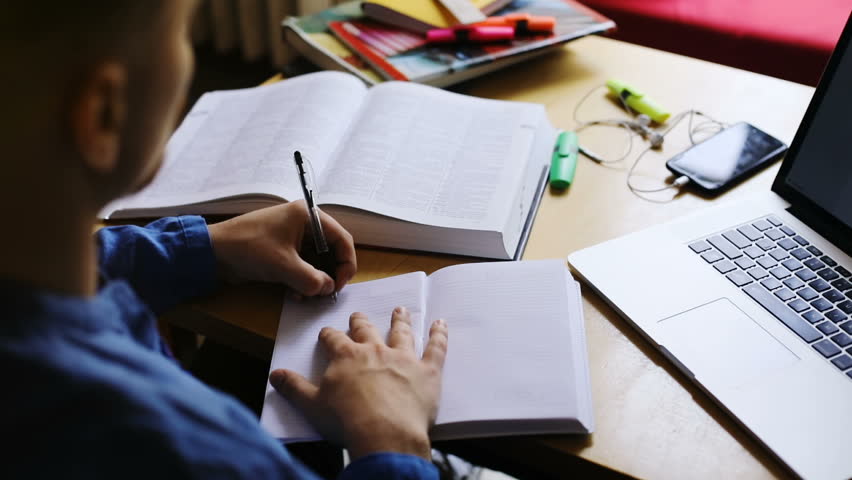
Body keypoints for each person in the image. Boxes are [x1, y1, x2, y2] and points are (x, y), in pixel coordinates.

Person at [0, 1, 449, 478]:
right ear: (106, 116)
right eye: (183, 36)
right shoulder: (200, 453)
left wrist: (205, 247)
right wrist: (394, 443)